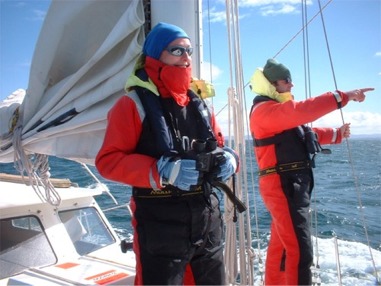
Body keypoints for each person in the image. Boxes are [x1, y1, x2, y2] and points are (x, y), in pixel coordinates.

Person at [95, 22, 239, 285]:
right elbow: (107, 161)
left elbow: (218, 143)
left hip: (207, 217)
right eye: (177, 50)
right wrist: (159, 171)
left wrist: (231, 158)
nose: (186, 57)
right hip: (160, 223)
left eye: (189, 51)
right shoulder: (131, 105)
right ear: (156, 54)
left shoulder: (199, 104)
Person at [249, 58, 374, 285]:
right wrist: (343, 96)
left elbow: (304, 134)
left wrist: (336, 134)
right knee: (299, 250)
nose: (291, 85)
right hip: (283, 185)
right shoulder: (264, 111)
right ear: (271, 84)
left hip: (291, 185)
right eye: (286, 80)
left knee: (283, 249)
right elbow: (302, 111)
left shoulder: (277, 112)